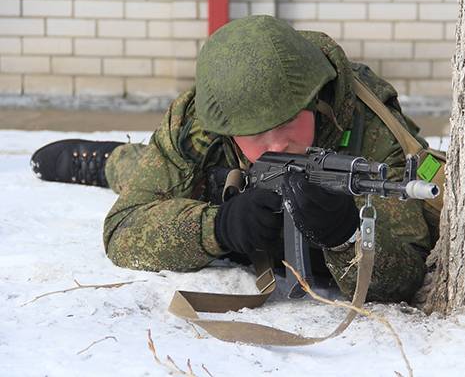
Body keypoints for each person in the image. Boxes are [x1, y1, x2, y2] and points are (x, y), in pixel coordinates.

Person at [30, 15, 433, 303]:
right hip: (217, 186)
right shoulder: (200, 120)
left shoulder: (371, 132)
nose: (278, 144)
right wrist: (218, 228)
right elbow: (123, 232)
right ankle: (108, 160)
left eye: (290, 120)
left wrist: (346, 235)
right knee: (140, 169)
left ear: (320, 103)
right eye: (257, 132)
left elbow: (406, 276)